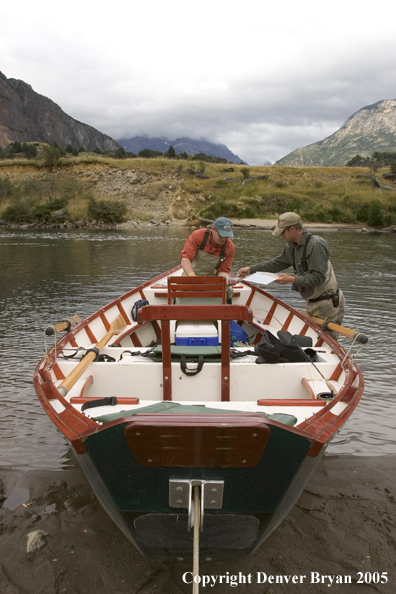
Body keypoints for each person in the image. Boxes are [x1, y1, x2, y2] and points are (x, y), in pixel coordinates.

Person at [237, 212, 346, 327]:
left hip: (327, 304)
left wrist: (291, 279)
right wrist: (251, 269)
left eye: (283, 232)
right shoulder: (292, 246)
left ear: (292, 229)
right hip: (312, 302)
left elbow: (318, 278)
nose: (281, 235)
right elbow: (278, 263)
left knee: (325, 341)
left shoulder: (316, 244)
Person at [180, 217, 238, 301]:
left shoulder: (230, 247)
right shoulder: (198, 235)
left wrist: (227, 280)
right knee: (181, 288)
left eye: (227, 236)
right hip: (191, 273)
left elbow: (223, 271)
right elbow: (185, 259)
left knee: (227, 289)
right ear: (213, 229)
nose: (224, 239)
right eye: (221, 235)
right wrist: (192, 276)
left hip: (211, 277)